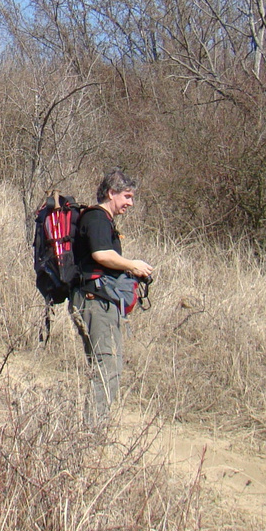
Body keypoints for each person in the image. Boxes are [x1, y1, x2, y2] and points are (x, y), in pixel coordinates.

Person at [70, 168, 154, 426]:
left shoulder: (100, 219)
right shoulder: (96, 218)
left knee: (107, 366)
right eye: (127, 196)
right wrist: (132, 265)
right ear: (111, 193)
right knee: (107, 367)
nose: (131, 203)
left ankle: (90, 429)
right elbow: (101, 255)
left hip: (98, 301)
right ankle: (91, 433)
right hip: (95, 302)